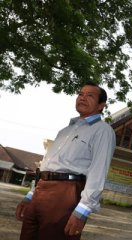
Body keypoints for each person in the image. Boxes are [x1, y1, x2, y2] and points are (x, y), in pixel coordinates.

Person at [15, 82, 116, 240]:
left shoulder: (103, 130)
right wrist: (30, 195)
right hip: (40, 190)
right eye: (80, 94)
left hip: (66, 194)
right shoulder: (64, 131)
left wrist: (82, 211)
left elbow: (98, 173)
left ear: (101, 105)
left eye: (90, 95)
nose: (82, 98)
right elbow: (47, 166)